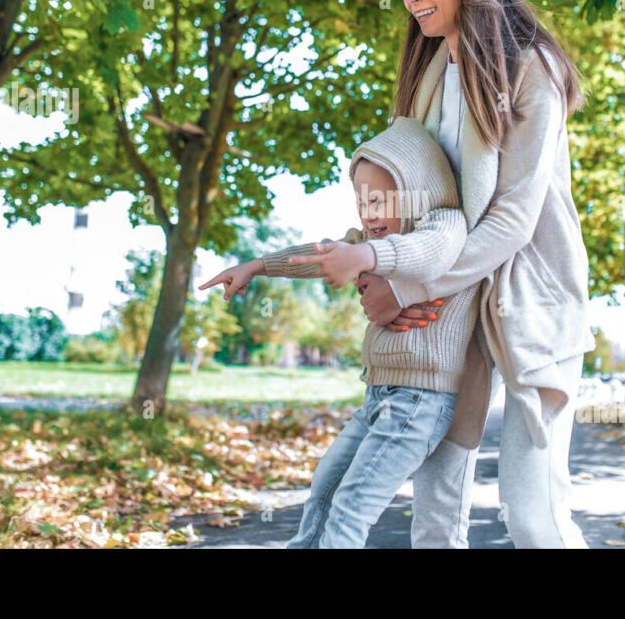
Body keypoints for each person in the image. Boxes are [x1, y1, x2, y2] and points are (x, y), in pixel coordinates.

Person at [301, 0, 597, 548]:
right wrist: (380, 264)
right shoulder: (434, 70)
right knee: (436, 506)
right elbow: (420, 198)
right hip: (451, 311)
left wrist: (409, 287)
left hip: (526, 302)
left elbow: (514, 217)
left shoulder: (532, 67)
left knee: (534, 511)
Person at [199, 115, 485, 548]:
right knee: (326, 488)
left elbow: (427, 253)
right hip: (380, 395)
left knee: (352, 505)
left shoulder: (443, 224)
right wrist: (256, 266)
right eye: (361, 204)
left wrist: (366, 255)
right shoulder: (367, 241)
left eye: (379, 202)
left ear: (417, 191)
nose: (368, 216)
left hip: (420, 402)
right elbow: (319, 255)